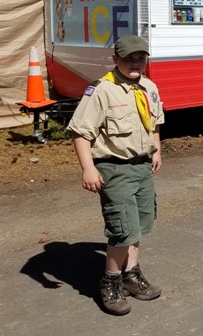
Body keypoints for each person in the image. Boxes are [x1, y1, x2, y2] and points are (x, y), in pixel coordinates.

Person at [68, 35, 164, 316]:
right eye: (128, 58)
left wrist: (157, 150)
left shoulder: (149, 86)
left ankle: (131, 274)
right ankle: (110, 281)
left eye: (140, 57)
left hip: (142, 166)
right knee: (122, 228)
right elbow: (80, 132)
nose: (135, 63)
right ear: (116, 60)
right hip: (114, 168)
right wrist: (88, 168)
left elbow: (155, 123)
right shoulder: (101, 90)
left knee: (139, 224)